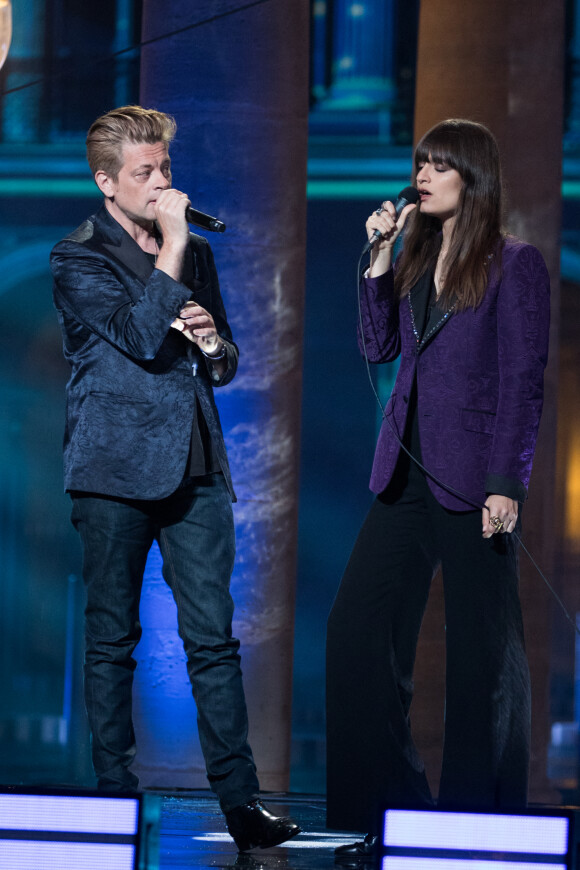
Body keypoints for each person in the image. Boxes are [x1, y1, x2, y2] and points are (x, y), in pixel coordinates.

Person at [50, 105, 300, 852]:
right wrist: (177, 243)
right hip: (112, 464)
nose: (163, 183)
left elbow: (222, 363)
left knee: (211, 640)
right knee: (112, 639)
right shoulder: (79, 256)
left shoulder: (192, 254)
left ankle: (241, 801)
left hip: (194, 462)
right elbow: (131, 334)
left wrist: (214, 342)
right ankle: (114, 797)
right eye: (145, 172)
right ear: (107, 182)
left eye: (165, 168)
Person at [326, 118, 551, 858]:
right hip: (406, 469)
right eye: (419, 162)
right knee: (357, 629)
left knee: (483, 651)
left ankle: (473, 818)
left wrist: (505, 481)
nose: (423, 175)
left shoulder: (513, 265)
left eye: (440, 165)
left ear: (473, 177)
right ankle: (380, 804)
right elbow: (375, 347)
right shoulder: (415, 260)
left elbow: (523, 382)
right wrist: (378, 262)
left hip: (475, 475)